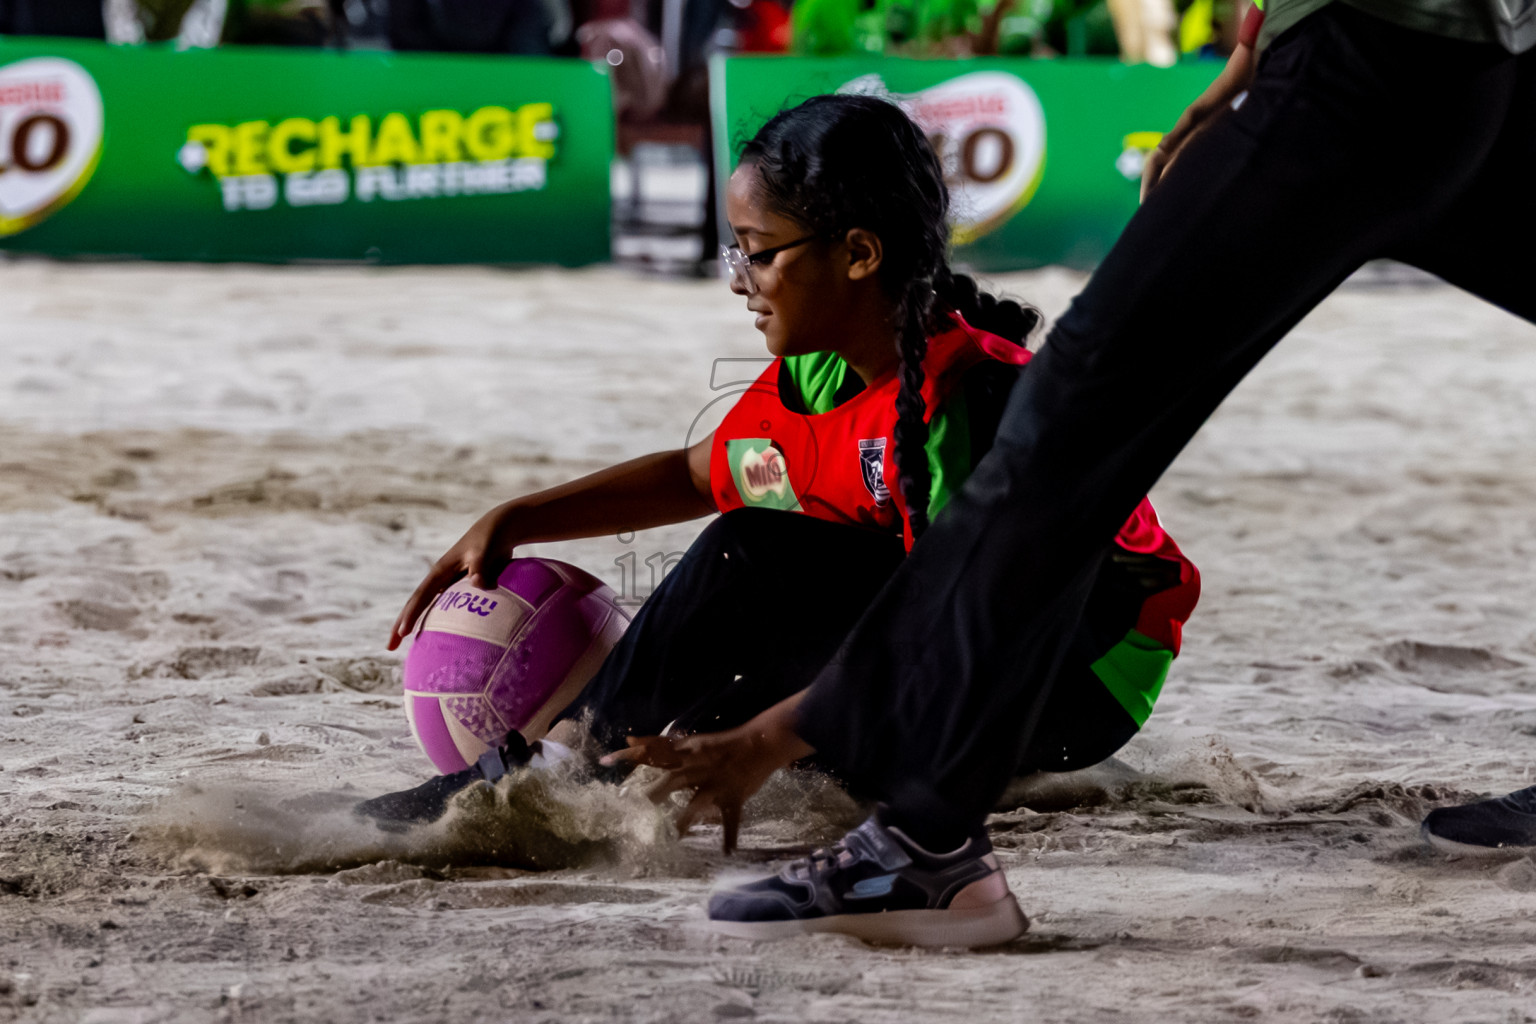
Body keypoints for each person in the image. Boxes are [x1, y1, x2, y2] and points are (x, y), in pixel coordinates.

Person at [608, 0, 1536, 946]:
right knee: (1070, 414)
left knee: (1073, 409)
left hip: (1382, 57)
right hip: (1442, 51)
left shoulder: (954, 377)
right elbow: (706, 475)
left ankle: (928, 845)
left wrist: (787, 730)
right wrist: (1251, 51)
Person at [359, 96, 1200, 866]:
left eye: (757, 254)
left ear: (859, 255)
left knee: (757, 557)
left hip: (1074, 671)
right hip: (965, 641)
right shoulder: (822, 375)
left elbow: (972, 632)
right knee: (749, 604)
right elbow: (699, 475)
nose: (738, 280)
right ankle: (577, 761)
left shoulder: (973, 401)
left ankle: (557, 768)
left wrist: (771, 736)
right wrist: (519, 518)